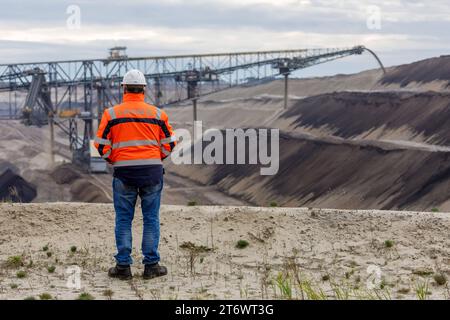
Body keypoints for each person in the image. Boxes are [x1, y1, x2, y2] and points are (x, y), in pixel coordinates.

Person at [94, 69, 176, 280]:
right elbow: (170, 143)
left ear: (123, 88)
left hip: (124, 173)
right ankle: (151, 267)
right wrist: (156, 158)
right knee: (150, 219)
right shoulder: (158, 114)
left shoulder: (111, 114)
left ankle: (123, 267)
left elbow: (101, 145)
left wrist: (114, 160)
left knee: (123, 219)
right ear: (144, 89)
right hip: (152, 172)